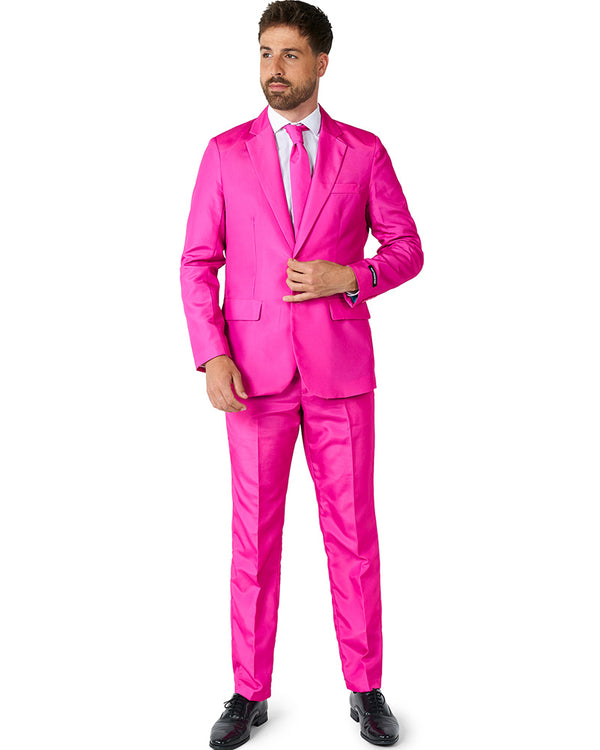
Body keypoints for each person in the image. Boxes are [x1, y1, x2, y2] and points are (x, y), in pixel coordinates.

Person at [179, 1, 423, 746]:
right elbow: (197, 262)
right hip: (252, 378)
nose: (273, 69)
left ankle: (366, 687)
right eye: (264, 53)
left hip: (340, 375)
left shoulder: (364, 151)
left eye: (289, 54)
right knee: (252, 539)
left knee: (353, 535)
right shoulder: (226, 152)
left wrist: (350, 277)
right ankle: (248, 691)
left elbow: (407, 248)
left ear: (321, 62)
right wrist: (212, 354)